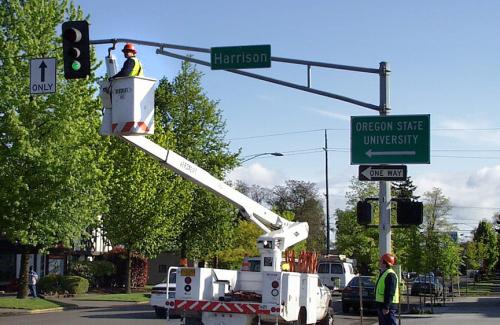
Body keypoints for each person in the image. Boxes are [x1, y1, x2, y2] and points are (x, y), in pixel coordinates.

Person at [375, 253, 399, 325]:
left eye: (381, 260)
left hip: (387, 307)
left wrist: (386, 307)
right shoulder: (384, 273)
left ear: (385, 263)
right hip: (382, 305)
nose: (379, 262)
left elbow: (390, 291)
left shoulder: (390, 274)